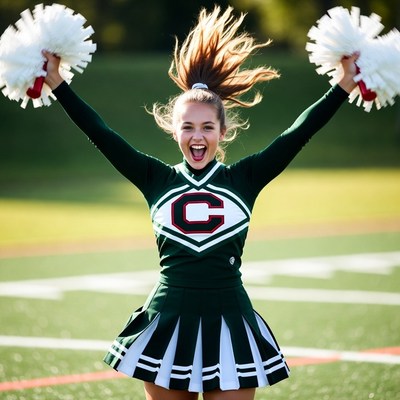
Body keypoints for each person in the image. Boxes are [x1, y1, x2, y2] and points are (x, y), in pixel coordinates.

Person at [43, 6, 358, 400]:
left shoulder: (244, 178)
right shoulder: (155, 178)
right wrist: (56, 81)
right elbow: (100, 132)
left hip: (231, 322)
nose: (197, 136)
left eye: (207, 127)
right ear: (174, 130)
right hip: (167, 322)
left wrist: (343, 84)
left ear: (223, 131)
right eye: (188, 126)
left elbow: (298, 133)